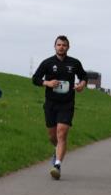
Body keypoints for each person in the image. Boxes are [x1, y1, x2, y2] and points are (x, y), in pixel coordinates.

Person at [31, 36, 88, 179]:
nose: (61, 47)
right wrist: (47, 83)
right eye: (59, 44)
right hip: (51, 104)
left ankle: (57, 165)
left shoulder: (74, 63)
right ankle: (57, 150)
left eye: (64, 45)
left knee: (61, 133)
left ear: (68, 47)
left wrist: (81, 85)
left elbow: (84, 76)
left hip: (67, 104)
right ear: (55, 46)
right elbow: (35, 79)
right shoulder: (47, 63)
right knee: (53, 137)